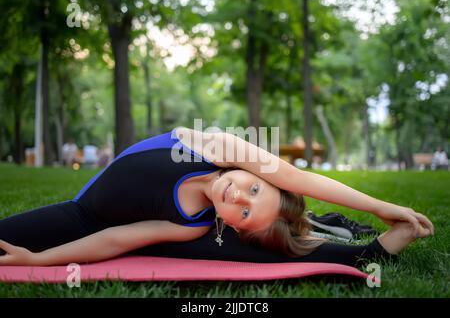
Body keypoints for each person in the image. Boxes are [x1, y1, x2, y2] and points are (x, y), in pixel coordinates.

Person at [0, 127, 434, 267]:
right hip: (78, 211)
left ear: (231, 222)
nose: (238, 192)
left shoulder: (192, 224)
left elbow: (114, 239)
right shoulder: (216, 148)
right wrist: (381, 206)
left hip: (88, 226)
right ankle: (331, 226)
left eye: (242, 210)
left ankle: (369, 253)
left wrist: (37, 261)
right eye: (254, 187)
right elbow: (295, 177)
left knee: (259, 249)